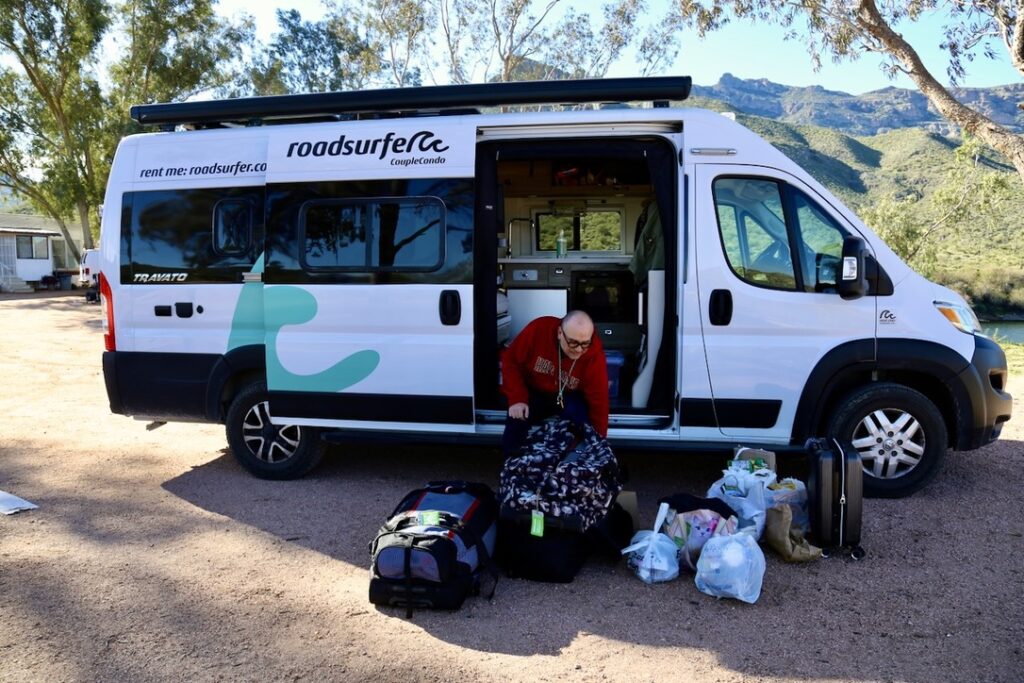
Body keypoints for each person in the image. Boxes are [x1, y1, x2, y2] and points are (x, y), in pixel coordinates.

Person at [501, 310, 609, 456]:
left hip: (569, 395)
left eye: (585, 344)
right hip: (534, 390)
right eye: (573, 342)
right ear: (559, 333)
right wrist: (517, 399)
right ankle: (513, 462)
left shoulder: (594, 356)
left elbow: (599, 399)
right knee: (517, 418)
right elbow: (511, 361)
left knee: (581, 422)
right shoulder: (538, 330)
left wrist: (600, 442)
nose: (579, 349)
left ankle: (569, 461)